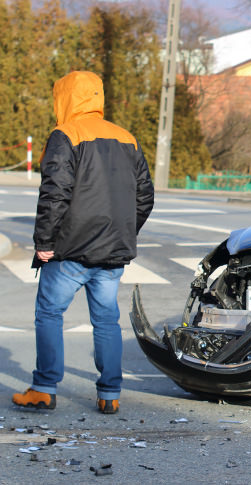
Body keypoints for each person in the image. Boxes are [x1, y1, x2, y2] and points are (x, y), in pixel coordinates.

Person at [12, 71, 154, 414]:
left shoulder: (66, 134)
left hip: (70, 251)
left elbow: (54, 194)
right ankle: (109, 394)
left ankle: (44, 388)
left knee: (49, 313)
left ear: (66, 97)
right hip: (111, 254)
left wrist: (44, 241)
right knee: (106, 321)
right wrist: (124, 232)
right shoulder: (127, 138)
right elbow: (144, 196)